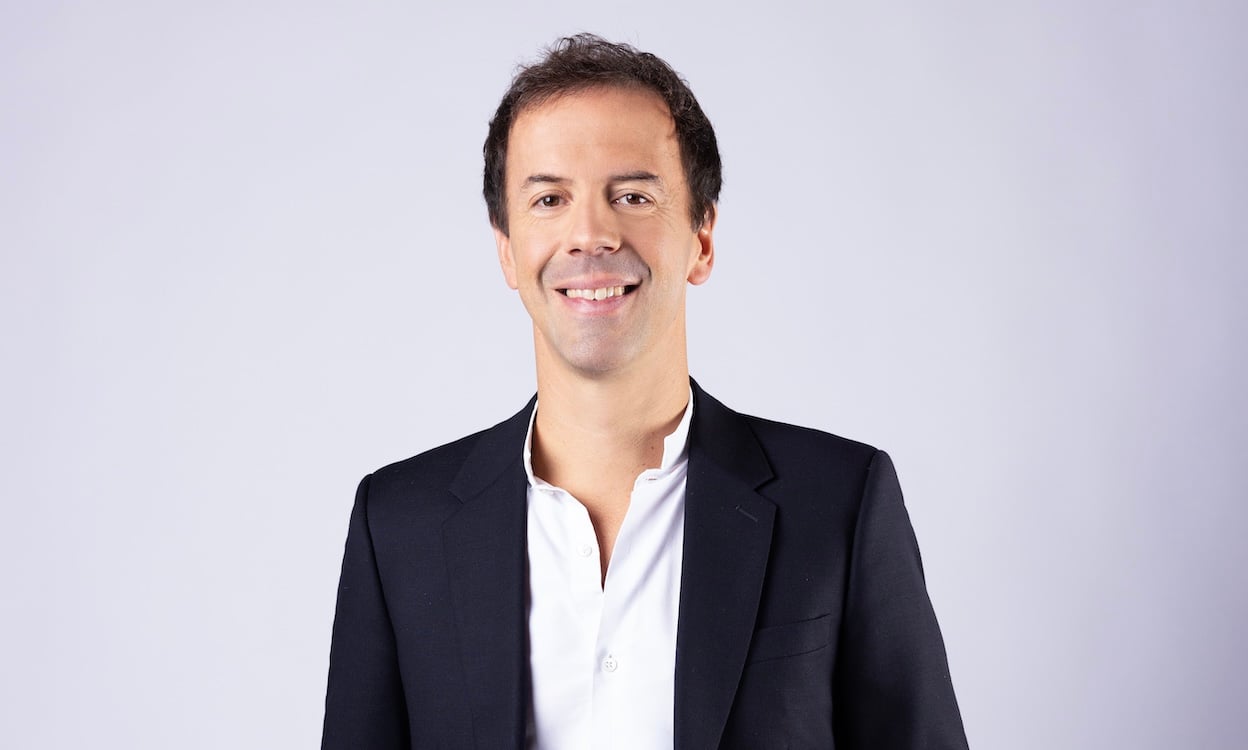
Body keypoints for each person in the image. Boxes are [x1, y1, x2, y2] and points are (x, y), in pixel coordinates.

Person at [322, 33, 968, 750]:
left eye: (632, 196)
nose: (590, 235)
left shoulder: (840, 503)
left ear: (702, 237)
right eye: (549, 199)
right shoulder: (398, 526)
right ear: (506, 248)